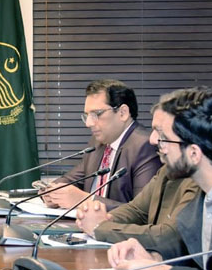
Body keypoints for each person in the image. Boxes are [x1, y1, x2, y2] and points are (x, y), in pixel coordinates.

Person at [108, 87, 212, 270]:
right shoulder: (203, 196)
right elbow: (195, 251)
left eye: (163, 137)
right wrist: (153, 258)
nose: (153, 141)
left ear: (194, 153)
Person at [75, 92, 200, 247]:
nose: (152, 139)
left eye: (161, 132)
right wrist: (104, 219)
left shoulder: (201, 180)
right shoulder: (168, 170)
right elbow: (137, 210)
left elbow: (170, 236)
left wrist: (100, 228)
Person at [42, 79, 161, 210]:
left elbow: (142, 211)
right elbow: (72, 179)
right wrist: (52, 193)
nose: (88, 123)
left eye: (96, 114)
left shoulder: (145, 146)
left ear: (123, 113)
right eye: (87, 115)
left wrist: (85, 201)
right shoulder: (98, 142)